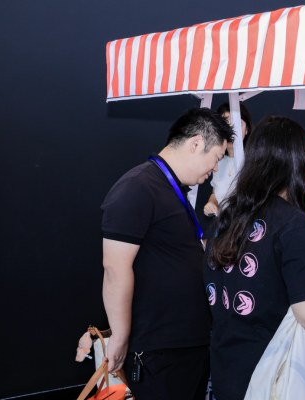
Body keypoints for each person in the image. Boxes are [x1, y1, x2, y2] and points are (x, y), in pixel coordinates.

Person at [100, 107, 233, 399]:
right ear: (196, 143)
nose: (215, 169)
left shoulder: (173, 190)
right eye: (216, 158)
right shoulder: (138, 187)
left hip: (187, 346)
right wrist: (120, 336)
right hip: (159, 350)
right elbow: (114, 268)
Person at [204, 116, 305, 400]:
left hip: (227, 374)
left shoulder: (225, 219)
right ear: (299, 163)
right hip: (274, 379)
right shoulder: (294, 225)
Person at [203, 102, 254, 217]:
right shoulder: (217, 161)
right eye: (226, 125)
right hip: (224, 224)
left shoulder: (254, 162)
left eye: (237, 124)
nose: (231, 132)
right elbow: (216, 193)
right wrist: (211, 204)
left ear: (247, 130)